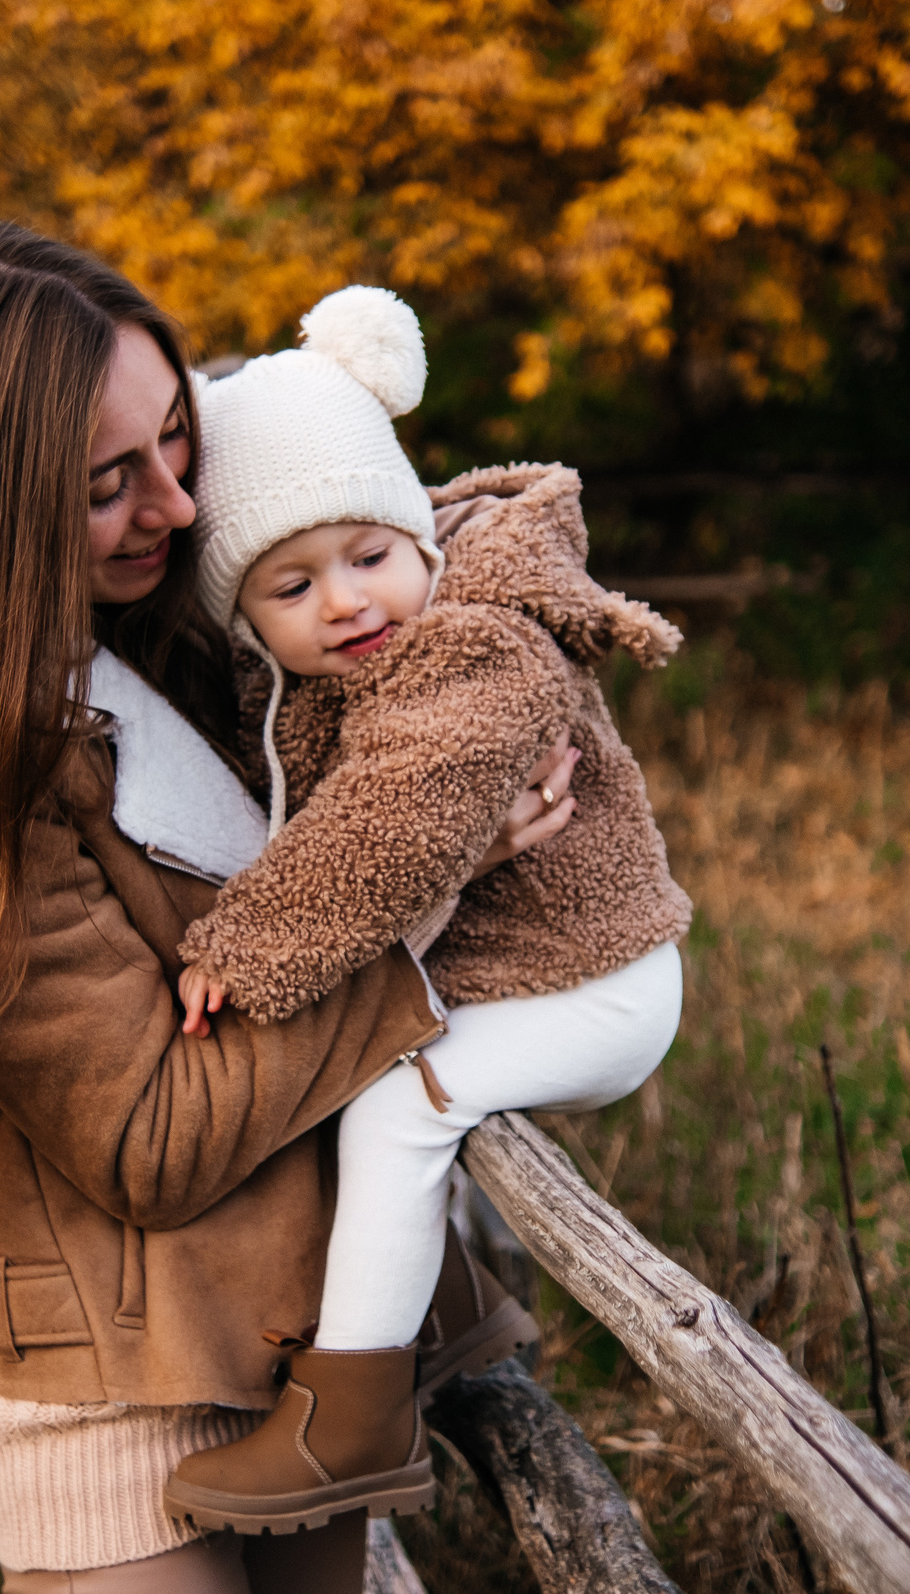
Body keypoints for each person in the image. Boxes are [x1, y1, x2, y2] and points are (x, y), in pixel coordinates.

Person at [0, 224, 573, 1592]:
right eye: (109, 481)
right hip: (110, 1400)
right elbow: (147, 1136)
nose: (178, 507)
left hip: (271, 1346)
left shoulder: (161, 640)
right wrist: (425, 893)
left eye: (177, 440)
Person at [158, 287, 691, 1534]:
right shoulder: (332, 677)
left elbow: (392, 821)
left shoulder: (471, 651)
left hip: (597, 985)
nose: (345, 602)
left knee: (398, 1099)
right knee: (356, 1082)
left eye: (368, 556)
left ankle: (353, 1420)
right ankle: (396, 1336)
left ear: (421, 541)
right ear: (246, 616)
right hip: (524, 978)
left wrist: (246, 944)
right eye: (291, 586)